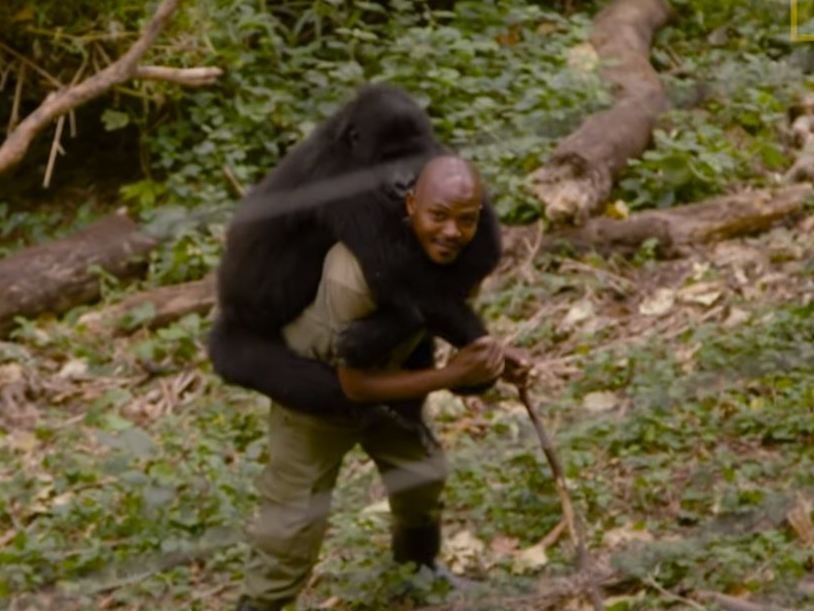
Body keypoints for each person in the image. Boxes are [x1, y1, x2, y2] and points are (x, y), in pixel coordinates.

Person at [237, 156, 530, 611]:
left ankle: (418, 569)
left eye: (466, 219)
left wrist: (488, 350)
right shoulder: (351, 274)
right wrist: (452, 375)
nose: (452, 231)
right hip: (316, 393)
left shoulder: (453, 252)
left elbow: (438, 308)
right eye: (439, 215)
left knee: (420, 472)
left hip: (389, 376)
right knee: (292, 524)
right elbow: (354, 384)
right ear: (411, 206)